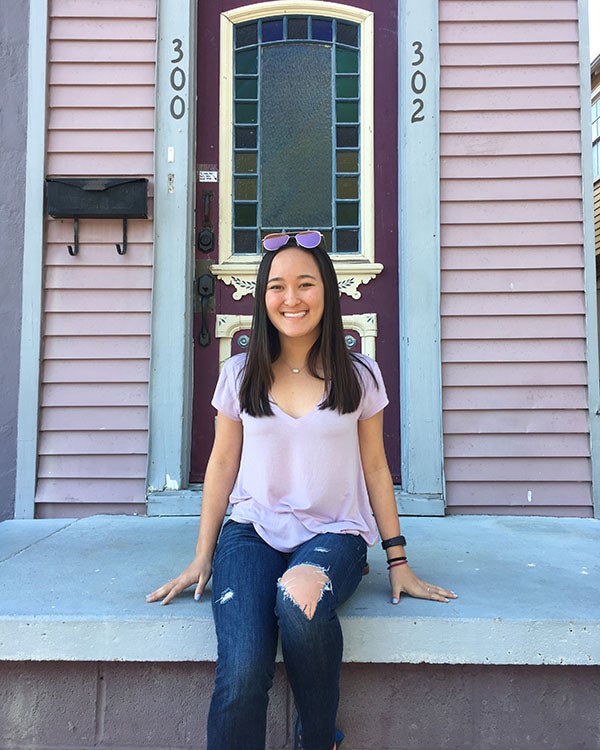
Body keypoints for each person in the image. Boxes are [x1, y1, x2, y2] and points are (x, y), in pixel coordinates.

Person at [146, 230, 457, 750]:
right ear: (262, 296)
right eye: (278, 287)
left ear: (328, 292)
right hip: (251, 532)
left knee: (298, 598)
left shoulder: (359, 375)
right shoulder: (240, 373)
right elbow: (222, 463)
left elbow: (377, 468)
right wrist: (203, 555)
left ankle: (317, 738)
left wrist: (398, 561)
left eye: (306, 284)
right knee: (243, 669)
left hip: (334, 533)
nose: (291, 299)